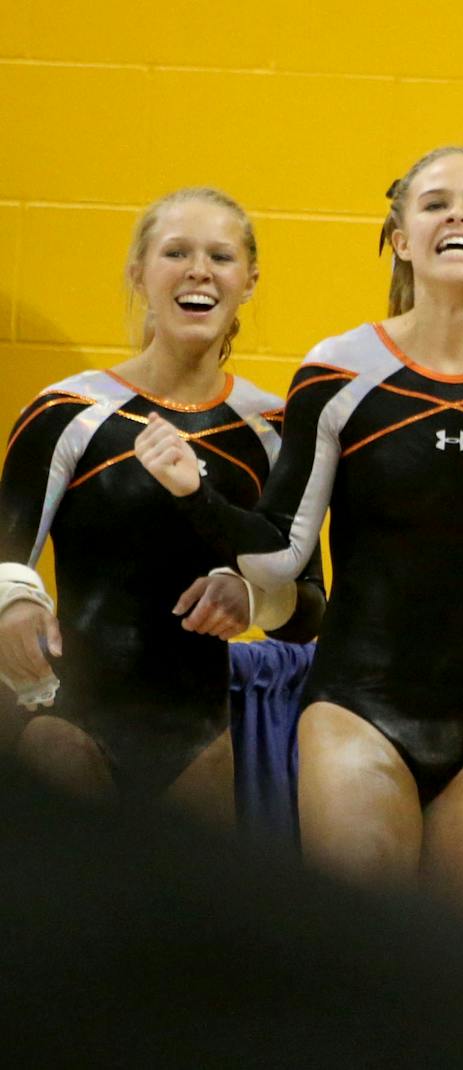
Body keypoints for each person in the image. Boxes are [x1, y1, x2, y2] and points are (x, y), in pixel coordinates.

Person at [132, 148, 463, 984]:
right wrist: (196, 498)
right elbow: (286, 551)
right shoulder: (339, 371)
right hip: (357, 713)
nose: (458, 218)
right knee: (361, 986)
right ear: (401, 239)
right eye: (435, 204)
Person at [0, 187, 323, 816]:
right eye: (176, 252)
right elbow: (4, 551)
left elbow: (309, 608)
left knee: (182, 917)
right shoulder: (68, 413)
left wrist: (252, 594)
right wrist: (12, 602)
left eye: (220, 256)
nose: (199, 269)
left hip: (198, 741)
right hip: (66, 721)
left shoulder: (273, 432)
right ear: (139, 274)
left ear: (249, 281)